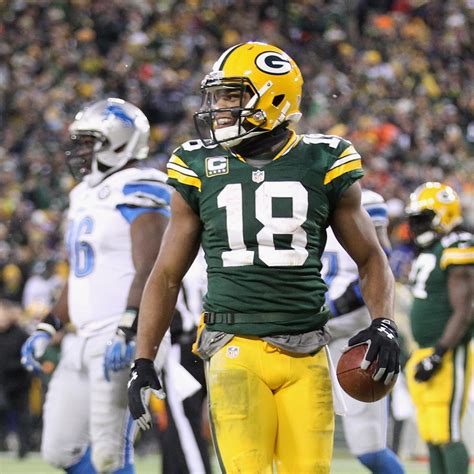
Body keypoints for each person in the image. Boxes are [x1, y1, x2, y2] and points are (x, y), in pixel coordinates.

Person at [127, 42, 400, 473]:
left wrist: (384, 322)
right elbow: (165, 274)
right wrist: (143, 357)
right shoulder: (198, 164)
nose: (219, 108)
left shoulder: (323, 160)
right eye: (217, 96)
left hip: (308, 349)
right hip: (233, 346)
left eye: (231, 96)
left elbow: (370, 258)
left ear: (273, 98)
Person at [21, 98, 171, 474]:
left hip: (122, 333)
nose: (81, 151)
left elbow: (151, 267)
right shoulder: (82, 194)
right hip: (82, 336)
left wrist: (128, 327)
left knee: (110, 452)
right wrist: (49, 325)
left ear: (120, 142)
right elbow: (80, 273)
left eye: (90, 142)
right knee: (60, 450)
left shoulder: (140, 185)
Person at [322, 189, 404, 474]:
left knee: (370, 449)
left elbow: (381, 261)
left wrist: (341, 304)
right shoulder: (302, 193)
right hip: (304, 336)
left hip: (351, 337)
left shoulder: (365, 200)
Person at [404, 182, 473, 474]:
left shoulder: (458, 244)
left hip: (447, 352)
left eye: (423, 218)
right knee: (431, 434)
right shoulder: (431, 249)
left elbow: (465, 309)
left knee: (447, 433)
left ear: (444, 215)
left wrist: (439, 353)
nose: (416, 226)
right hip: (424, 351)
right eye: (414, 219)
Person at [157, 249, 212, 474]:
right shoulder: (211, 249)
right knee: (178, 429)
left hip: (183, 349)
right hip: (216, 345)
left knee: (185, 427)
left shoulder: (173, 249)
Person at [0, 299, 31, 458]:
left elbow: (27, 358)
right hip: (2, 383)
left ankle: (24, 448)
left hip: (19, 382)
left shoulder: (21, 334)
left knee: (22, 415)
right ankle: (2, 445)